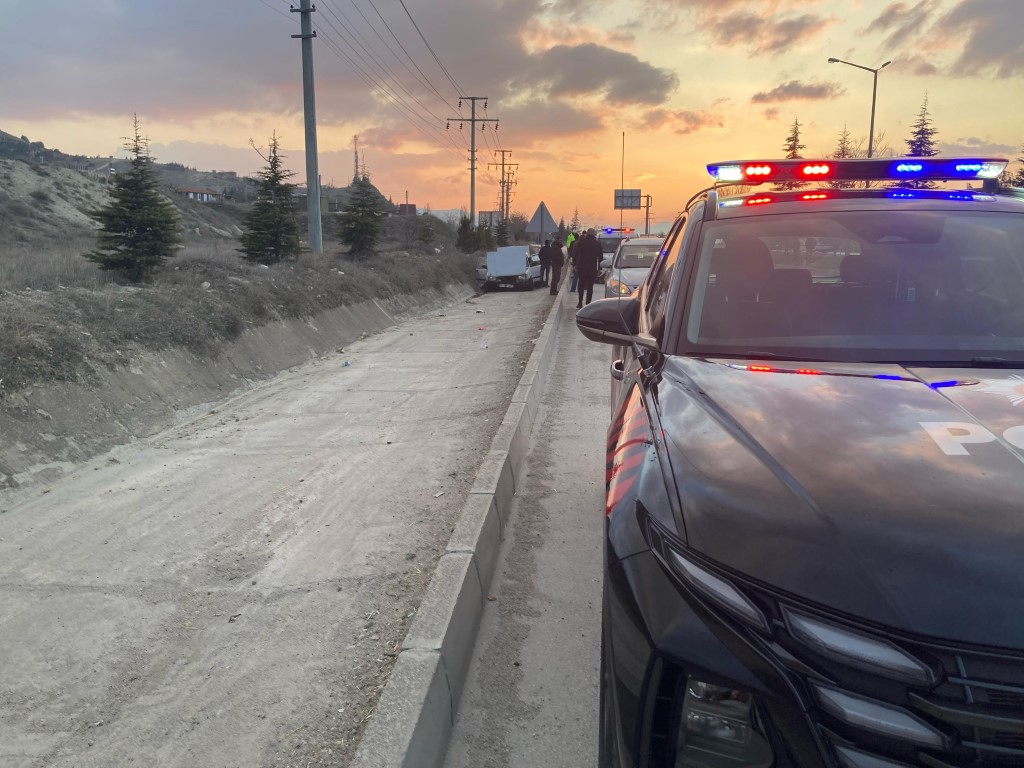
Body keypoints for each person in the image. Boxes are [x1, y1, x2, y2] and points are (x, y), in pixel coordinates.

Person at [574, 228, 603, 308]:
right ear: (594, 234)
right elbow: (600, 257)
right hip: (592, 268)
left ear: (587, 234)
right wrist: (599, 268)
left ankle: (580, 302)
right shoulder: (597, 244)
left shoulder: (581, 242)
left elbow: (575, 253)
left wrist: (575, 264)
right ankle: (588, 304)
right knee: (590, 286)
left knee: (581, 285)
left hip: (582, 267)